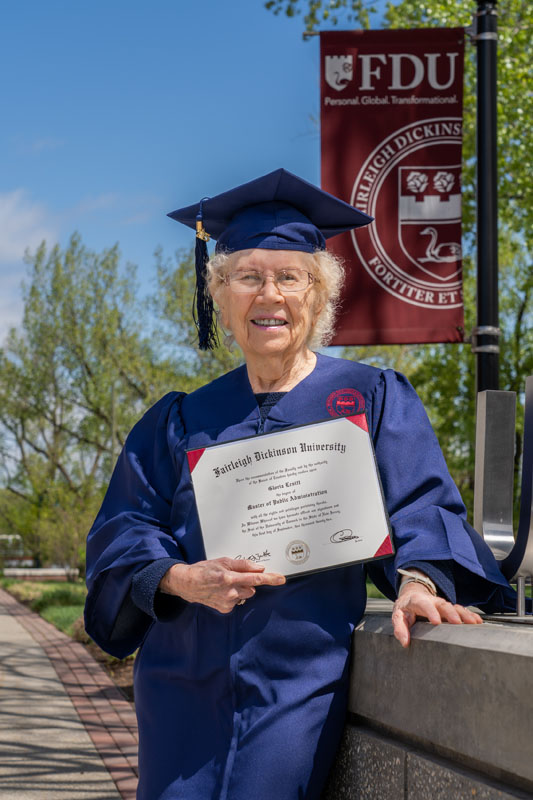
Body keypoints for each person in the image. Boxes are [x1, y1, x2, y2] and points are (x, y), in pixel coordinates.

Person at [85, 168, 515, 800]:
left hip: (299, 683)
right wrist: (180, 578)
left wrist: (420, 583)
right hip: (180, 680)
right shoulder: (178, 420)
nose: (270, 294)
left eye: (291, 277)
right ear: (220, 295)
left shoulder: (372, 399)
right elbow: (125, 529)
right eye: (248, 276)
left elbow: (422, 505)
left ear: (319, 297)